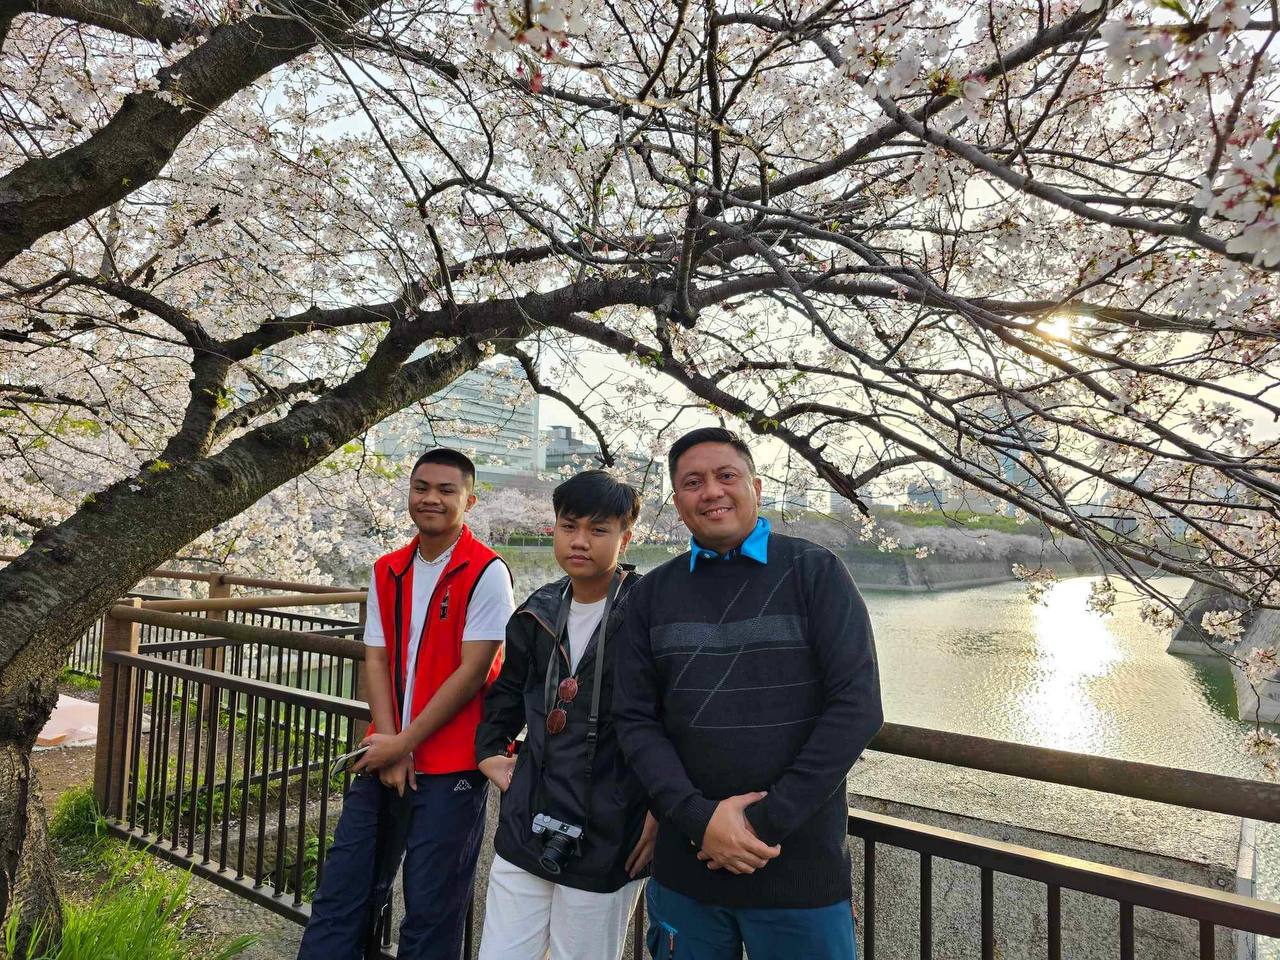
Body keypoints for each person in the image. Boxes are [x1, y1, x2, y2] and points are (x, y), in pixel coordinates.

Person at [613, 427, 883, 960]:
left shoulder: (813, 570)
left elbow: (857, 708)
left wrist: (758, 825)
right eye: (693, 482)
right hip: (685, 872)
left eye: (725, 476)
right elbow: (635, 719)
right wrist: (698, 820)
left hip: (799, 871)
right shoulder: (651, 594)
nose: (711, 491)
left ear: (756, 487)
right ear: (678, 502)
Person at [297, 448, 515, 960]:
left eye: (445, 490)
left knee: (431, 905)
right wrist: (391, 744)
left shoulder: (487, 572)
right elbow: (375, 659)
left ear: (468, 500)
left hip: (452, 763)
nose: (431, 499)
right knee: (343, 887)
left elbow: (474, 671)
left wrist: (402, 744)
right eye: (422, 488)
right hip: (384, 751)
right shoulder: (387, 568)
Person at [474, 470, 658, 960]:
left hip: (612, 822)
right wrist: (490, 752)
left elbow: (673, 716)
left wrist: (663, 810)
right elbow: (507, 693)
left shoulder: (648, 613)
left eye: (599, 530)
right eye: (568, 525)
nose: (580, 541)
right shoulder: (538, 610)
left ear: (626, 536)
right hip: (528, 815)